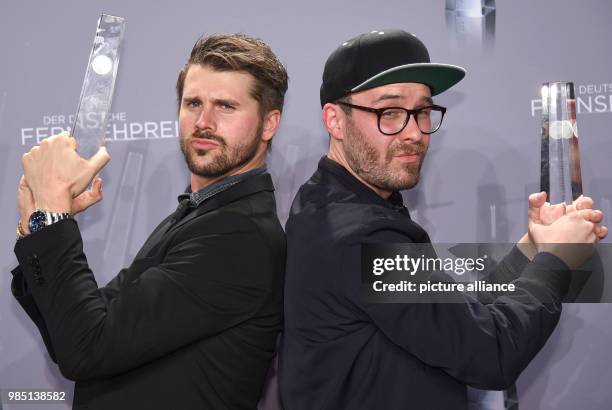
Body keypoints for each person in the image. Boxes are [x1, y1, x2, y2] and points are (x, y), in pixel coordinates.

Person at [279, 29, 607, 409]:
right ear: (335, 120)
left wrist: (531, 249)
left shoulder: (334, 201)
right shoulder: (359, 234)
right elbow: (491, 352)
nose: (415, 133)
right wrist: (556, 259)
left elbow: (454, 318)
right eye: (390, 113)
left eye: (422, 111)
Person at [11, 33, 288, 410]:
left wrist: (53, 217)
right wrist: (39, 222)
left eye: (225, 106)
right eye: (193, 103)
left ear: (269, 124)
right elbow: (76, 331)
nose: (203, 122)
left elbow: (87, 346)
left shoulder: (238, 235)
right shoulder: (199, 214)